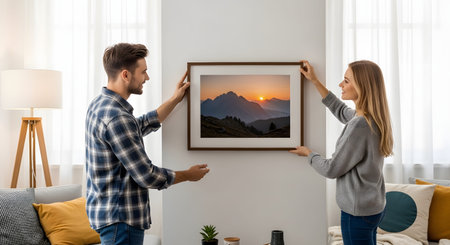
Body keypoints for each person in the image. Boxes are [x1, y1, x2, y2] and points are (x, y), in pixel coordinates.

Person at [85, 43, 210, 245]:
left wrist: (175, 99)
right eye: (143, 72)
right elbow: (147, 176)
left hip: (111, 217)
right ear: (125, 75)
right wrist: (188, 175)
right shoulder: (117, 117)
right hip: (122, 221)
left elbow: (138, 126)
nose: (147, 78)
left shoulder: (100, 104)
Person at [290, 60, 393, 244]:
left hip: (358, 214)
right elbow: (340, 109)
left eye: (346, 81)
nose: (340, 85)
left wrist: (309, 154)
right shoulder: (372, 118)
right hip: (373, 208)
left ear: (362, 85)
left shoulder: (359, 125)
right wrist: (314, 80)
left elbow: (331, 169)